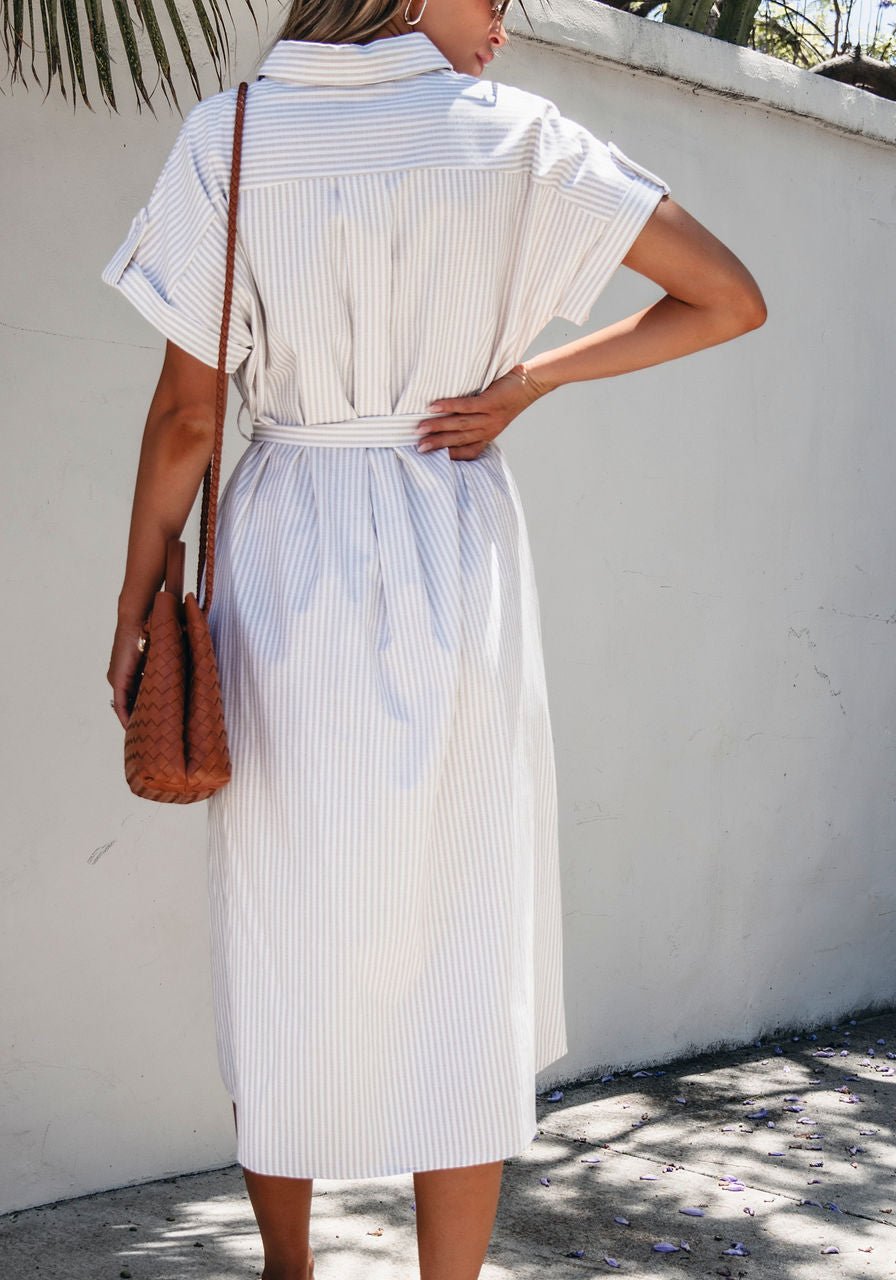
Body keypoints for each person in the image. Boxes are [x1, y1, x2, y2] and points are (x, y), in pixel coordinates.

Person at [102, 0, 766, 1273]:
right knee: (462, 931)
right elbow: (727, 298)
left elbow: (189, 415)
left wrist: (136, 604)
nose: (505, 24)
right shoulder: (518, 140)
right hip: (453, 548)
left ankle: (291, 1270)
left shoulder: (230, 136)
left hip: (284, 552)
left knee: (279, 931)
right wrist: (527, 381)